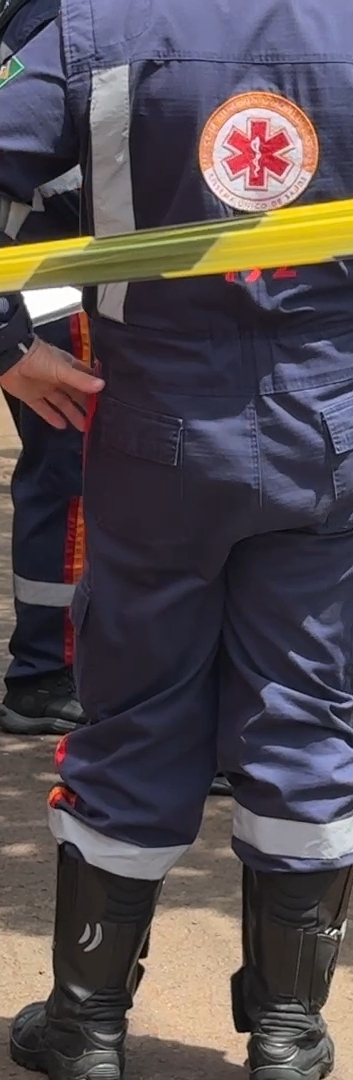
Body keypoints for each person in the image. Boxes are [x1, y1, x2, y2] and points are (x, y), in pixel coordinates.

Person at [0, 1, 353, 1078]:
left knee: (134, 707)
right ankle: (288, 1035)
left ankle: (86, 1028)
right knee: (304, 710)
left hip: (156, 419)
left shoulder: (96, 24)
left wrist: (6, 350)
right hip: (331, 421)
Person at [0, 0, 87, 737]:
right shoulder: (63, 22)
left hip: (65, 282)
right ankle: (44, 671)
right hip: (64, 284)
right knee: (72, 472)